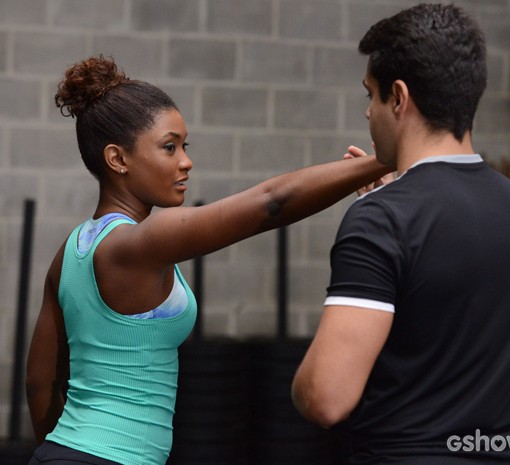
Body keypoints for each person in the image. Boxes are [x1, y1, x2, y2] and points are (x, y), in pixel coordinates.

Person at [25, 55, 391, 465]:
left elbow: (40, 382)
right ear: (118, 159)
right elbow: (270, 204)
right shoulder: (140, 244)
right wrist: (387, 158)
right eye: (169, 147)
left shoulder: (71, 252)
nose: (186, 161)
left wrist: (61, 454)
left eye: (185, 146)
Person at [291, 4, 510, 464]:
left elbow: (325, 398)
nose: (368, 113)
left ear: (399, 97)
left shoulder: (382, 221)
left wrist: (382, 218)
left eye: (370, 96)